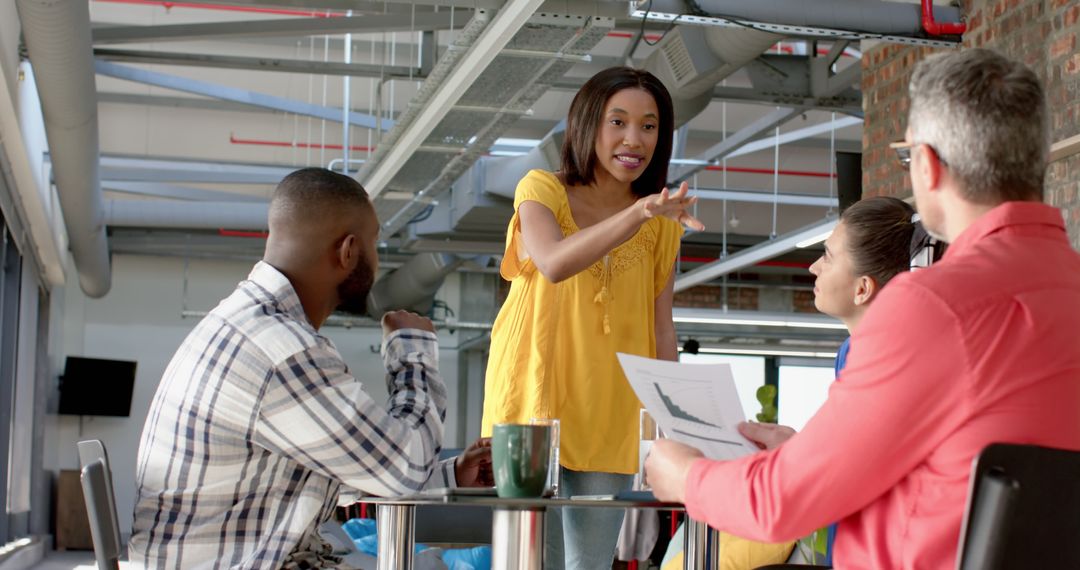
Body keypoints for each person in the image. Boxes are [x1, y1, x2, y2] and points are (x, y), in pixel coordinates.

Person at [646, 48, 1080, 569]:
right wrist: (805, 449)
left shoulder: (931, 306)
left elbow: (779, 504)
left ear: (927, 166)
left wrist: (685, 476)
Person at [129, 168, 491, 568]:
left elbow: (347, 469)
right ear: (348, 251)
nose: (376, 258)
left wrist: (451, 475)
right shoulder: (277, 349)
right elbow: (399, 471)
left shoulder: (250, 326)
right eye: (374, 244)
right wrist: (413, 353)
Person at [480, 66, 702, 569]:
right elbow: (554, 263)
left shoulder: (661, 224)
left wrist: (674, 423)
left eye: (649, 126)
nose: (634, 138)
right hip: (532, 404)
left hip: (611, 410)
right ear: (587, 125)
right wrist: (639, 214)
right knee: (533, 562)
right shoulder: (541, 190)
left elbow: (661, 325)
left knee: (590, 565)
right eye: (617, 121)